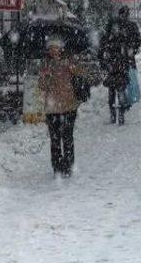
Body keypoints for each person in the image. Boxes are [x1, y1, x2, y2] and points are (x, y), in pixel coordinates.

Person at [38, 37, 87, 177]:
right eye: (52, 48)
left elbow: (82, 74)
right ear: (48, 50)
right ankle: (57, 167)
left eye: (57, 48)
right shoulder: (45, 64)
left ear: (61, 49)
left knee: (67, 137)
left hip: (68, 106)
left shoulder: (69, 61)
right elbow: (41, 86)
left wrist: (74, 68)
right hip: (52, 108)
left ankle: (68, 165)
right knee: (55, 139)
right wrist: (45, 76)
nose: (54, 51)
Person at [98, 6, 141, 125]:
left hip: (121, 63)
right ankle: (117, 112)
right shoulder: (116, 30)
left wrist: (130, 51)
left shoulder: (124, 28)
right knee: (117, 89)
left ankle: (118, 112)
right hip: (117, 64)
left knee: (119, 89)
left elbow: (136, 42)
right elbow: (103, 46)